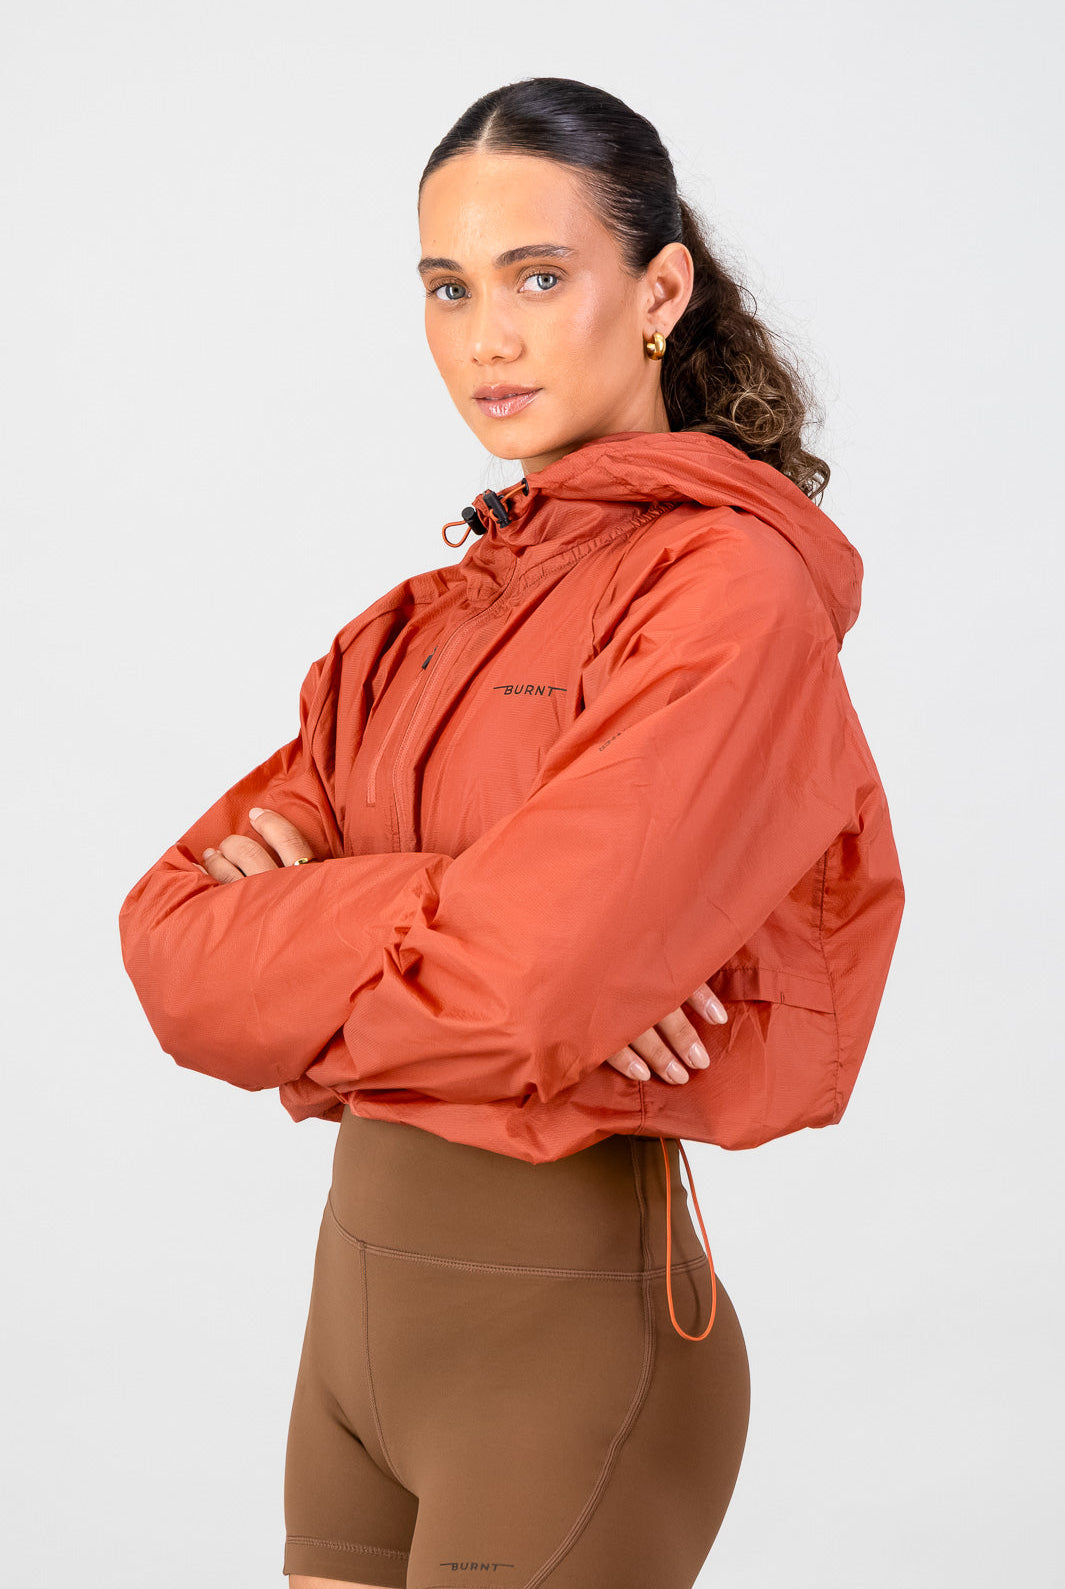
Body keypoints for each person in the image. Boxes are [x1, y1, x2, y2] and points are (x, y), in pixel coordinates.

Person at [119, 76, 905, 1589]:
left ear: (659, 290)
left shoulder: (725, 592)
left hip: (566, 1356)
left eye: (537, 277)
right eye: (449, 287)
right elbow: (170, 953)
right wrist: (466, 905)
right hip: (352, 1345)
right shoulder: (423, 620)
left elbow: (532, 984)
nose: (487, 336)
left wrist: (335, 935)